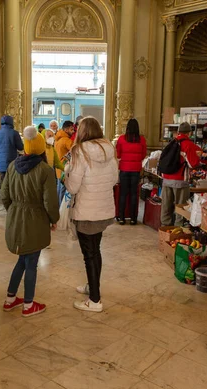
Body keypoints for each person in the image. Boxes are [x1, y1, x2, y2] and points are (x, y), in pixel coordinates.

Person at [1, 126, 59, 317]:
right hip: (35, 220)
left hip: (16, 218)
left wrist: (14, 211)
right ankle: (28, 304)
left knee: (22, 259)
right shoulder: (45, 170)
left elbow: (4, 195)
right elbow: (50, 201)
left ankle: (10, 299)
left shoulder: (12, 166)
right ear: (42, 148)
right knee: (31, 262)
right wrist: (53, 219)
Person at [64, 117, 118, 313]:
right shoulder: (109, 149)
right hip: (103, 209)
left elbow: (73, 186)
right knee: (96, 250)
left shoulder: (79, 151)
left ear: (82, 131)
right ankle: (91, 286)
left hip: (86, 211)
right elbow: (114, 179)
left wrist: (66, 174)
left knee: (89, 254)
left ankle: (94, 300)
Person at [158, 122, 201, 227]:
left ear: (178, 132)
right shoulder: (189, 145)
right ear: (190, 133)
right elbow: (193, 164)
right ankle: (178, 229)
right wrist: (198, 156)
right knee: (180, 207)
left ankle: (165, 227)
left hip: (166, 179)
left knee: (166, 205)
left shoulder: (172, 142)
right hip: (180, 180)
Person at [116, 118, 147, 225]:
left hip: (124, 168)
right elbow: (143, 155)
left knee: (123, 194)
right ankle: (133, 218)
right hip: (136, 169)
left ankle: (121, 217)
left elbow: (118, 154)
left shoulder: (121, 139)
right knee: (134, 194)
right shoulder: (142, 139)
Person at [0, 115, 24, 182]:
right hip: (13, 164)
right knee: (13, 183)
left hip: (2, 164)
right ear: (11, 122)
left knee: (4, 183)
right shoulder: (15, 133)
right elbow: (21, 147)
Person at [55, 120, 74, 204]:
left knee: (59, 189)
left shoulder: (58, 139)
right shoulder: (66, 140)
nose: (73, 131)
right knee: (63, 191)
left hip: (58, 168)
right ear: (66, 130)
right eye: (71, 129)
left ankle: (58, 209)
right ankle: (61, 211)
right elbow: (75, 151)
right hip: (64, 168)